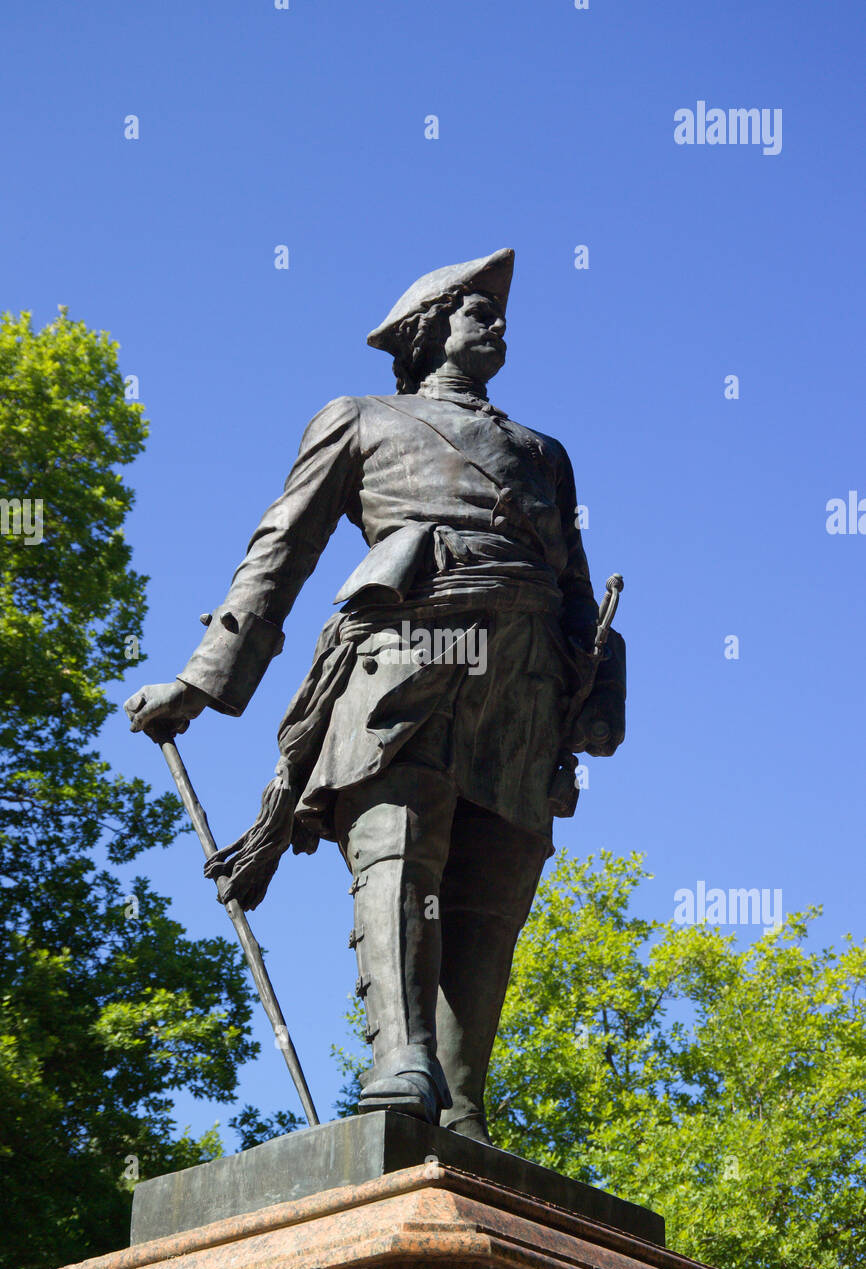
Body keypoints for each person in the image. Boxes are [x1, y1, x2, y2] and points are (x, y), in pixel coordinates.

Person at [125, 248, 625, 1142]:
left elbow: (575, 586)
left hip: (523, 680)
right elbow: (281, 548)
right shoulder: (358, 419)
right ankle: (402, 1058)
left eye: (499, 314)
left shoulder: (545, 454)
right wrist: (201, 681)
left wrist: (593, 692)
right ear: (428, 327)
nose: (497, 325)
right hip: (409, 655)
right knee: (398, 844)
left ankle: (463, 1109)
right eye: (476, 310)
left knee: (494, 887)